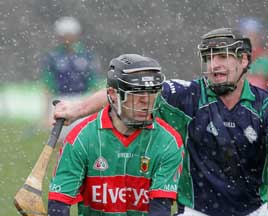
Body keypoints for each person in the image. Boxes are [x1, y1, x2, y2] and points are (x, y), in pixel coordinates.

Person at [53, 28, 268, 216]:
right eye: (209, 58)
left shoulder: (264, 106)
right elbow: (125, 88)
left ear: (244, 60)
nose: (214, 65)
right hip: (197, 211)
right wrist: (76, 110)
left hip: (257, 210)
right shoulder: (188, 95)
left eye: (223, 57)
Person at [48, 54, 184, 216]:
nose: (146, 101)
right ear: (112, 94)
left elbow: (160, 209)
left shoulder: (168, 142)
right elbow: (59, 204)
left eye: (152, 92)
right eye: (136, 92)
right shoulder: (81, 138)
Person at [40, 16, 101, 135]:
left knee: (82, 140)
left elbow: (94, 85)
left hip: (82, 100)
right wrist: (45, 114)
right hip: (60, 100)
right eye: (64, 35)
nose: (67, 39)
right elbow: (47, 86)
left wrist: (96, 110)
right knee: (58, 141)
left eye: (70, 34)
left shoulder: (87, 56)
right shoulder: (53, 57)